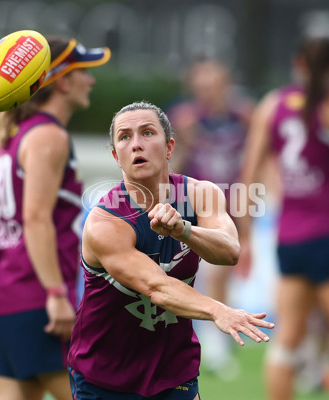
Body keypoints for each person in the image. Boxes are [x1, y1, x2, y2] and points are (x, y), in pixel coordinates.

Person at [67, 101, 274, 400]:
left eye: (147, 133)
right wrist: (218, 310)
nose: (136, 144)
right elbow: (157, 287)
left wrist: (184, 231)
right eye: (124, 137)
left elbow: (229, 251)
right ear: (116, 156)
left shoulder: (200, 194)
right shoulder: (105, 221)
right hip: (105, 377)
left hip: (174, 373)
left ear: (169, 147)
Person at [239, 36, 329, 400]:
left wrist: (244, 238)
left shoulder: (271, 105)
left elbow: (248, 176)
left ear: (297, 64)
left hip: (288, 239)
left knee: (287, 339)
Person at [0, 37, 110, 400]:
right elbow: (35, 218)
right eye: (84, 72)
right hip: (35, 301)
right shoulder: (48, 135)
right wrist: (54, 293)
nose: (91, 80)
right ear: (62, 81)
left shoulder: (19, 132)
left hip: (1, 298)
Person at [167, 58, 255, 378]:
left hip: (231, 201)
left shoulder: (242, 116)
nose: (209, 92)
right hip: (197, 204)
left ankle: (219, 339)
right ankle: (211, 342)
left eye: (214, 84)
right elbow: (174, 161)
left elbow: (252, 157)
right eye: (202, 85)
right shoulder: (188, 120)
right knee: (207, 273)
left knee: (225, 271)